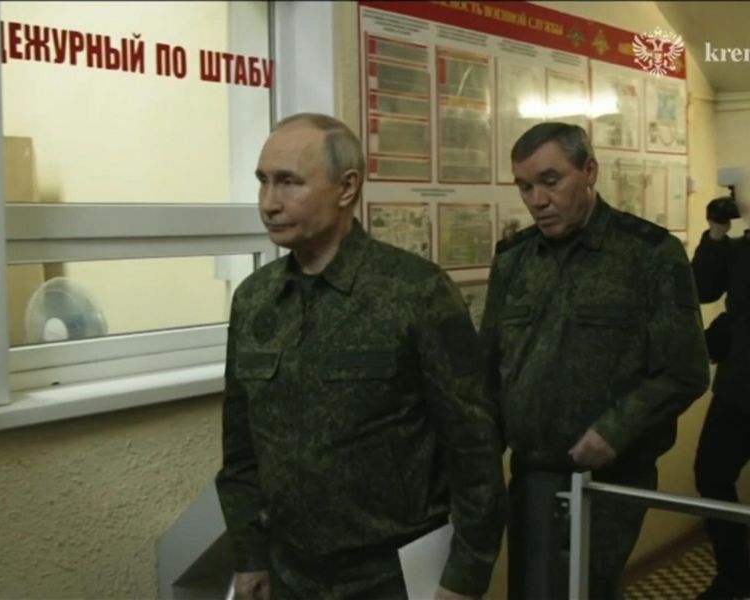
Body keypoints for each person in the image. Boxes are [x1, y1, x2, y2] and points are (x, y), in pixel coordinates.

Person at [216, 112, 506, 600]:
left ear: (347, 187)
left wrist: (465, 577)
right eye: (263, 181)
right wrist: (250, 555)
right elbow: (241, 448)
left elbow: (473, 448)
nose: (269, 203)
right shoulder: (255, 300)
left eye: (289, 182)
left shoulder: (415, 292)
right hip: (290, 572)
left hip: (392, 575)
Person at [478, 122, 710, 599]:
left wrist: (615, 429)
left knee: (585, 590)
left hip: (609, 479)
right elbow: (489, 370)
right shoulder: (514, 259)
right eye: (525, 187)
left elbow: (685, 370)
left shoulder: (648, 254)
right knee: (533, 591)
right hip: (531, 474)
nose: (537, 200)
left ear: (589, 171)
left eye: (550, 181)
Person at [692, 194, 750, 600]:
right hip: (740, 387)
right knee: (712, 474)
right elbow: (702, 288)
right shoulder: (741, 249)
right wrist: (716, 232)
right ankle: (734, 575)